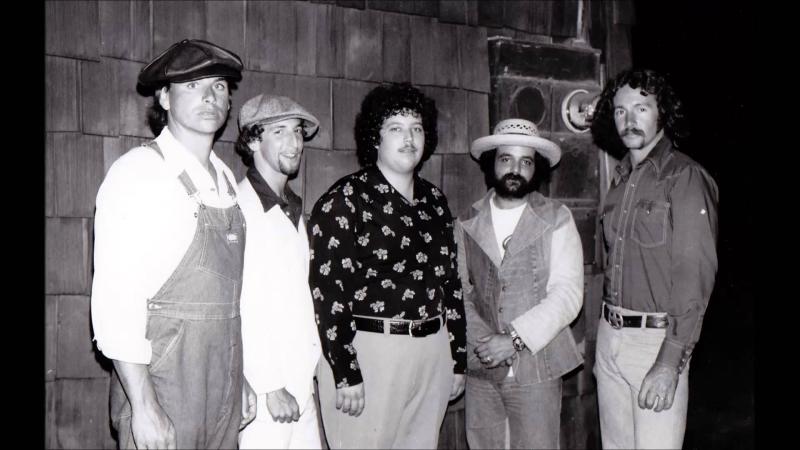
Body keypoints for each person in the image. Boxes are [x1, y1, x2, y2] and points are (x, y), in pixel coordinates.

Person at [90, 39, 256, 449]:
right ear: (164, 97)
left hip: (221, 388)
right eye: (193, 85)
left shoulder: (225, 180)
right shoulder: (138, 173)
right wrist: (143, 405)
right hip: (162, 384)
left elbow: (228, 303)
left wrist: (239, 375)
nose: (210, 96)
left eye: (219, 86)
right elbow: (116, 300)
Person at [307, 83, 467, 449]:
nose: (409, 138)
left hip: (432, 351)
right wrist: (345, 371)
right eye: (396, 128)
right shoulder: (345, 200)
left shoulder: (435, 201)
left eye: (417, 128)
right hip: (370, 352)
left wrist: (457, 359)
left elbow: (451, 285)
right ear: (374, 138)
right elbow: (327, 292)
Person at [590, 68, 719, 449]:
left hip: (655, 342)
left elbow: (693, 275)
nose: (628, 120)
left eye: (641, 108)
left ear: (662, 113)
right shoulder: (619, 180)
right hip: (610, 336)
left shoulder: (685, 177)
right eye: (620, 111)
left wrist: (669, 361)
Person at [456, 118, 585, 449]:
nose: (515, 169)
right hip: (482, 369)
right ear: (492, 163)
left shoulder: (556, 217)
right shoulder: (467, 220)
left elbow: (568, 294)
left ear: (536, 168)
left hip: (537, 367)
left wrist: (513, 340)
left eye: (526, 162)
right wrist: (487, 346)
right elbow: (459, 292)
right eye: (506, 159)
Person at [234, 94, 323, 449]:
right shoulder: (241, 208)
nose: (295, 143)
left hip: (300, 382)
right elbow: (243, 301)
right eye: (280, 131)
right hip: (267, 392)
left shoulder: (291, 208)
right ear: (253, 141)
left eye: (298, 131)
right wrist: (270, 385)